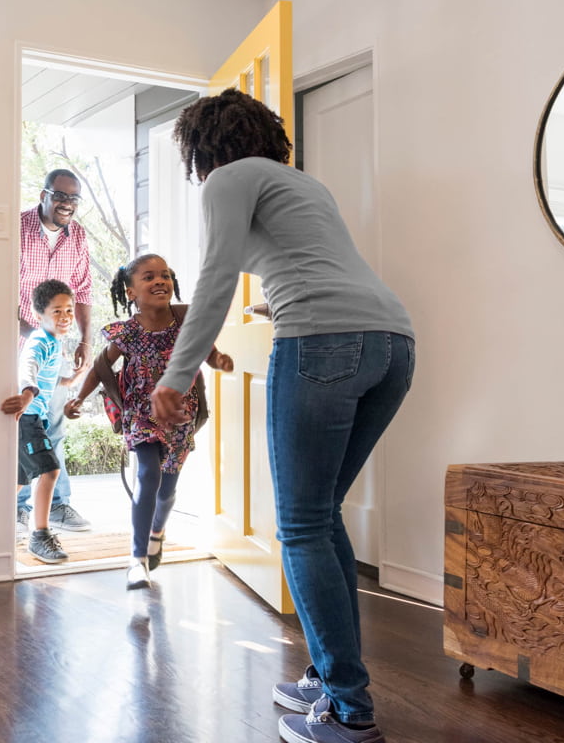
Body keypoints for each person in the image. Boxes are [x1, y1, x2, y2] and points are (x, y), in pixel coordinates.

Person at [150, 89, 415, 743]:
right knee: (321, 514)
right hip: (393, 344)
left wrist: (175, 376)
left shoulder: (228, 179)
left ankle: (349, 714)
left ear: (201, 147)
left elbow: (214, 278)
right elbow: (310, 267)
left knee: (299, 523)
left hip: (324, 345)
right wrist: (276, 308)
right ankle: (329, 678)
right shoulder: (302, 185)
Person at [64, 254, 234, 591]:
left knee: (167, 488)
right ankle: (136, 559)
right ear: (130, 292)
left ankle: (158, 530)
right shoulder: (128, 331)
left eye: (165, 275)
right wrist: (79, 399)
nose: (160, 281)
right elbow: (101, 366)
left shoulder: (186, 319)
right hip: (141, 413)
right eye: (149, 277)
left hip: (181, 413)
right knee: (147, 475)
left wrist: (219, 360)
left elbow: (206, 349)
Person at [18, 169, 93, 537]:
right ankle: (17, 508)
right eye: (60, 196)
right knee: (21, 426)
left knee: (55, 427)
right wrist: (36, 336)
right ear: (44, 194)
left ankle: (59, 505)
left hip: (58, 348)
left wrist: (86, 341)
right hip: (18, 348)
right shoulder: (17, 229)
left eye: (74, 198)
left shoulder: (77, 236)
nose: (67, 204)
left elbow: (83, 292)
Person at [1, 280, 83, 564]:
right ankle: (40, 535)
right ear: (39, 315)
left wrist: (69, 380)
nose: (65, 317)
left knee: (20, 480)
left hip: (36, 417)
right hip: (29, 418)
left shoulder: (54, 341)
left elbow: (48, 375)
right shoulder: (39, 340)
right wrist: (27, 393)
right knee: (50, 471)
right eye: (57, 311)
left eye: (69, 310)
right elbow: (29, 369)